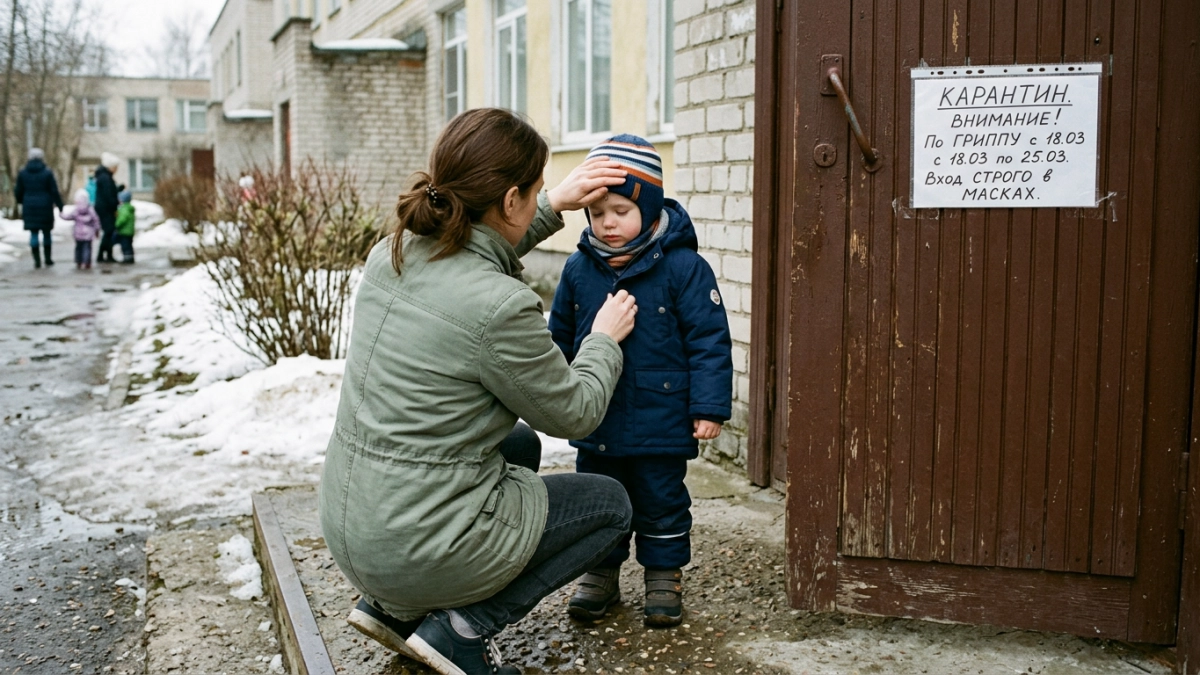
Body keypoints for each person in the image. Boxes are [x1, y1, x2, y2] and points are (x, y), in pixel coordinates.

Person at [319, 108, 637, 675]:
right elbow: (575, 411)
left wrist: (553, 203)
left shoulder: (391, 254)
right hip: (412, 546)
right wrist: (602, 341)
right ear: (510, 200)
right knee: (610, 505)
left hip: (355, 527)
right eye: (535, 191)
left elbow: (473, 248)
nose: (541, 198)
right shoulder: (500, 307)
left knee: (517, 445)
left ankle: (391, 613)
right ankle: (460, 629)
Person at [548, 134, 733, 628]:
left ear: (649, 208)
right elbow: (558, 339)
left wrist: (709, 407)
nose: (608, 223)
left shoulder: (683, 268)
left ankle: (663, 575)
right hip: (599, 419)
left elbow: (709, 340)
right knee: (598, 498)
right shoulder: (578, 269)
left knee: (661, 500)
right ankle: (599, 575)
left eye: (621, 210)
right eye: (597, 212)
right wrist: (553, 395)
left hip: (662, 419)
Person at [14, 147, 63, 268]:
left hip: (29, 206)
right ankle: (48, 259)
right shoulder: (47, 172)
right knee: (47, 233)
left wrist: (22, 201)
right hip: (45, 206)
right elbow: (54, 190)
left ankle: (37, 261)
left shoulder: (23, 173)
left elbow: (18, 191)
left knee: (33, 233)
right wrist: (60, 205)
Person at [61, 189, 100, 269]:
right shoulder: (90, 210)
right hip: (88, 233)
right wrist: (97, 229)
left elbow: (68, 216)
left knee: (79, 248)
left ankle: (78, 261)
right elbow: (96, 219)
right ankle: (87, 262)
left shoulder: (76, 210)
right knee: (87, 248)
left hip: (78, 233)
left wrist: (61, 214)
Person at [93, 152, 121, 263]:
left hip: (104, 207)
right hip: (106, 209)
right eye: (116, 167)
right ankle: (102, 255)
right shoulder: (105, 178)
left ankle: (107, 255)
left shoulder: (104, 177)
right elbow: (108, 195)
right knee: (109, 231)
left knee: (109, 231)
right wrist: (115, 206)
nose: (117, 169)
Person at [114, 190, 135, 264]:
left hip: (124, 231)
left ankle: (127, 258)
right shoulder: (129, 208)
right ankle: (130, 257)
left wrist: (117, 224)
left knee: (125, 246)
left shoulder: (124, 209)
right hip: (129, 231)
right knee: (129, 245)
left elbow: (122, 219)